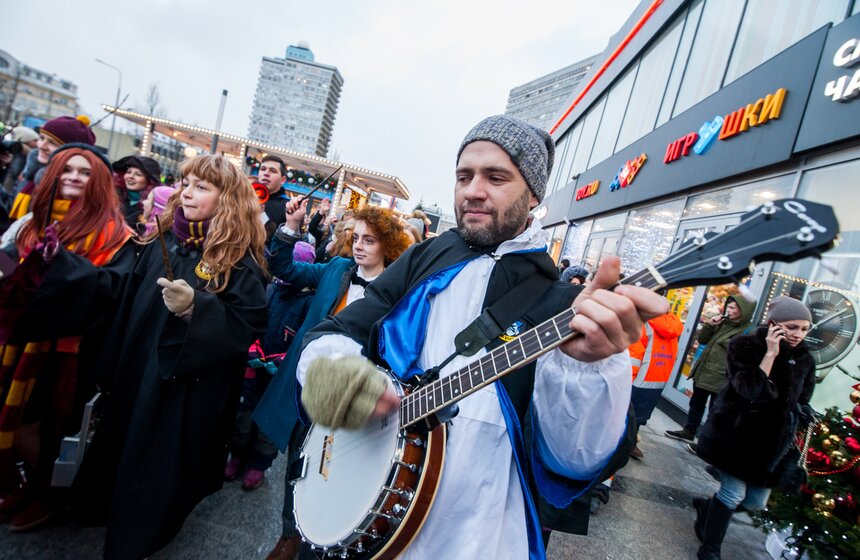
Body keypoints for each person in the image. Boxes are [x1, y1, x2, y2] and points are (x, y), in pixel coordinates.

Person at [291, 115, 667, 559]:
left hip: (474, 538)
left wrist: (589, 368)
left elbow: (574, 461)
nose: (472, 190)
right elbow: (339, 330)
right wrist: (340, 377)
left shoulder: (566, 305)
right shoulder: (426, 257)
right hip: (368, 512)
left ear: (534, 195)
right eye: (464, 176)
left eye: (496, 177)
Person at [1, 154, 268, 558]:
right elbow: (117, 290)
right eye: (186, 182)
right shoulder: (161, 238)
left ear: (228, 198)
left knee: (156, 466)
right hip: (135, 373)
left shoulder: (238, 261)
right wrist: (63, 267)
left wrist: (198, 308)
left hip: (180, 393)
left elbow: (246, 323)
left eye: (202, 186)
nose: (188, 192)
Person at [255, 202, 411, 560]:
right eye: (355, 238)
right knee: (296, 463)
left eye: (369, 240)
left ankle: (322, 536)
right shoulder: (337, 269)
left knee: (329, 470)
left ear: (386, 246)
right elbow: (284, 268)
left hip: (348, 398)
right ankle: (288, 534)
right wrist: (291, 227)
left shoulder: (396, 291)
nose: (359, 246)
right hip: (305, 387)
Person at [0, 144, 133, 531]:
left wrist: (61, 262)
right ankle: (23, 483)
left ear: (99, 181)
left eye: (84, 172)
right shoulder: (31, 222)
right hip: (17, 340)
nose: (73, 177)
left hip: (66, 349)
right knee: (15, 417)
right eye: (67, 170)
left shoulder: (115, 233)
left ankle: (46, 495)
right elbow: (8, 262)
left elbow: (111, 289)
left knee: (43, 427)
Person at [693, 296, 815, 559]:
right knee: (733, 492)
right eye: (792, 327)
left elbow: (802, 397)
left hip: (772, 444)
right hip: (735, 435)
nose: (798, 335)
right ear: (774, 324)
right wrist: (771, 353)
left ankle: (708, 509)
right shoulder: (745, 345)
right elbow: (750, 390)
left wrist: (803, 412)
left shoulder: (805, 358)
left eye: (805, 329)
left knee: (755, 501)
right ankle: (710, 548)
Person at [225, 241, 316, 491]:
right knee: (244, 413)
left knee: (269, 422)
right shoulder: (271, 289)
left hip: (281, 376)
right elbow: (255, 318)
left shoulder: (309, 301)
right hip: (255, 367)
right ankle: (238, 454)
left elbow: (306, 338)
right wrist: (252, 344)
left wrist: (286, 360)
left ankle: (258, 463)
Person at [665, 293, 756, 443]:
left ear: (743, 311)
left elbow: (744, 354)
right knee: (696, 403)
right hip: (705, 371)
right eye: (729, 307)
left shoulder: (749, 331)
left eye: (733, 308)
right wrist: (709, 325)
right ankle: (689, 430)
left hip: (722, 377)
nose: (729, 311)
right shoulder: (723, 323)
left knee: (716, 410)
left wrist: (726, 342)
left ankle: (705, 442)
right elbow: (702, 339)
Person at [8, 116, 97, 222]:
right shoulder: (31, 175)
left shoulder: (71, 187)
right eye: (41, 138)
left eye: (52, 143)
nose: (42, 145)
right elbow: (11, 206)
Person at [627, 311, 684, 460]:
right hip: (657, 379)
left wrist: (625, 380)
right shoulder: (673, 323)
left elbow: (635, 354)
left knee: (626, 414)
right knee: (638, 415)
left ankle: (625, 445)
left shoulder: (645, 322)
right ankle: (631, 444)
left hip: (639, 379)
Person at [111, 155, 162, 227]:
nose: (130, 176)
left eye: (138, 174)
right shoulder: (111, 197)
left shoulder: (153, 209)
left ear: (149, 182)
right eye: (128, 172)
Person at [256, 155, 289, 242]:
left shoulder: (288, 207)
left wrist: (261, 215)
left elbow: (278, 243)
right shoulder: (243, 196)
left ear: (283, 180)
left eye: (273, 171)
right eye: (263, 169)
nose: (266, 173)